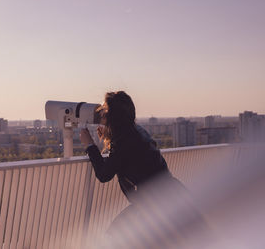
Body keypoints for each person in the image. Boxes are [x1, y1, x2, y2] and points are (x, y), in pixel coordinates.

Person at [80, 91, 204, 248]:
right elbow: (126, 155)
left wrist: (89, 145)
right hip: (169, 197)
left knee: (114, 237)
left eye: (104, 113)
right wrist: (108, 135)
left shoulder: (124, 141)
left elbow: (104, 174)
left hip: (155, 205)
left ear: (113, 118)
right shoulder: (136, 131)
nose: (102, 117)